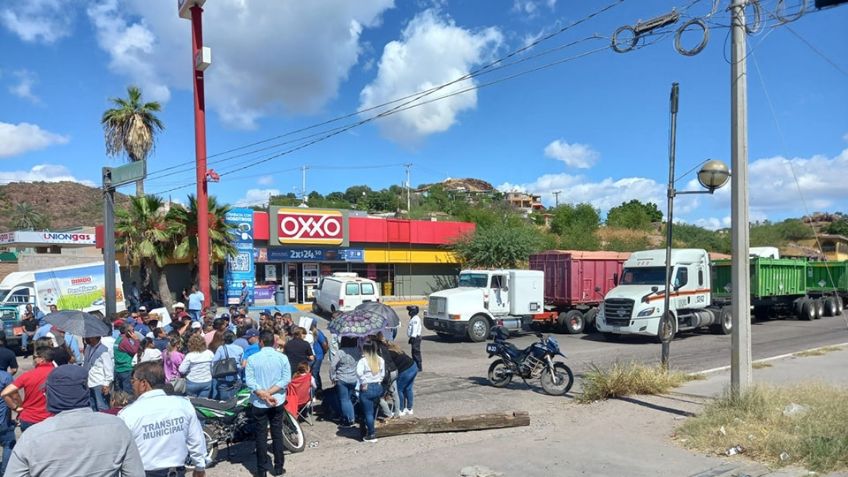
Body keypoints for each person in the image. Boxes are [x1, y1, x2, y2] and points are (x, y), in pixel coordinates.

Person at [4, 364, 145, 477]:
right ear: (85, 392)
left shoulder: (32, 437)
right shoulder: (117, 426)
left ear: (51, 395)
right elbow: (135, 473)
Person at [119, 361, 207, 477]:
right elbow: (196, 440)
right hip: (175, 472)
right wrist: (200, 466)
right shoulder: (183, 404)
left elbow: (121, 452)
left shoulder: (128, 414)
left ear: (144, 383)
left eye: (133, 382)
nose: (132, 386)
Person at [245, 331, 291, 477]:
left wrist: (264, 394)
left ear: (261, 342)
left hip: (260, 402)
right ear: (275, 342)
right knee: (277, 433)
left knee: (261, 436)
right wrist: (270, 393)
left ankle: (261, 470)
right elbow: (286, 380)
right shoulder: (282, 358)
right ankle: (278, 467)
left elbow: (250, 382)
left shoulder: (252, 359)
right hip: (276, 400)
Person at [1, 347, 54, 432]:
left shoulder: (28, 376)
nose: (33, 360)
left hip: (30, 419)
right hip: (52, 418)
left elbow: (4, 393)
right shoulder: (59, 373)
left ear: (41, 359)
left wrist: (15, 408)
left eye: (34, 357)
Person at [356, 341, 385, 443]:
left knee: (367, 413)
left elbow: (359, 372)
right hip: (377, 386)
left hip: (367, 387)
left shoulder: (363, 361)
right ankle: (369, 428)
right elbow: (383, 374)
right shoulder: (380, 360)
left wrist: (364, 381)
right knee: (372, 410)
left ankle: (371, 434)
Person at [330, 336, 360, 427]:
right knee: (349, 399)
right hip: (353, 378)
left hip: (342, 378)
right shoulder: (357, 350)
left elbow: (332, 366)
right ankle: (352, 417)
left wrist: (333, 377)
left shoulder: (340, 352)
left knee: (344, 400)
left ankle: (348, 420)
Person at [84, 335, 114, 412]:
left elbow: (108, 367)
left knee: (102, 406)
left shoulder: (103, 350)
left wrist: (107, 384)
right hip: (89, 381)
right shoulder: (88, 348)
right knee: (92, 406)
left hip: (99, 382)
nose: (87, 339)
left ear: (96, 338)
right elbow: (86, 363)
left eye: (89, 337)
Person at [388, 342, 418, 416]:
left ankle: (400, 409)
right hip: (413, 366)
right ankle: (409, 408)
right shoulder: (397, 349)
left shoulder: (389, 353)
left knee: (399, 389)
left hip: (405, 370)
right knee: (408, 388)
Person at [179, 334, 214, 398]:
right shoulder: (209, 353)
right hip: (207, 381)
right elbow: (213, 368)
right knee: (203, 403)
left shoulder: (190, 355)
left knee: (192, 402)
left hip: (192, 382)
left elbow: (181, 370)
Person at [374, 333, 400, 419]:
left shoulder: (375, 348)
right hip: (394, 370)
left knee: (379, 396)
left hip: (386, 373)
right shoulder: (384, 346)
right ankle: (397, 413)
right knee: (394, 393)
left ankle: (388, 414)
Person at [212, 331, 243, 400]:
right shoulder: (239, 349)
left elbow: (214, 361)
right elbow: (241, 363)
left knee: (224, 402)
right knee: (235, 401)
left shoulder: (221, 348)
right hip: (236, 377)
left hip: (223, 378)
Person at [114, 324, 139, 393]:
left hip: (119, 368)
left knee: (121, 392)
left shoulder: (118, 339)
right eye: (132, 330)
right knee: (128, 393)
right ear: (128, 332)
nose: (134, 332)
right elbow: (134, 350)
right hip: (126, 369)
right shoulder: (124, 341)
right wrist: (136, 340)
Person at [0, 369, 15, 474]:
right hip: (2, 420)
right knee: (8, 444)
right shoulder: (5, 376)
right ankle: (5, 472)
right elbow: (14, 396)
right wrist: (17, 407)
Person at [407, 305, 423, 372]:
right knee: (414, 352)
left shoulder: (415, 319)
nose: (409, 312)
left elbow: (415, 329)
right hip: (414, 337)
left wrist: (412, 337)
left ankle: (419, 367)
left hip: (416, 338)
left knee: (416, 352)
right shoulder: (413, 318)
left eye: (410, 311)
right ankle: (416, 366)